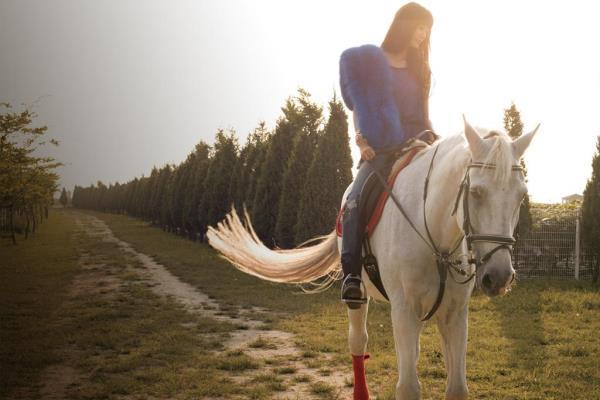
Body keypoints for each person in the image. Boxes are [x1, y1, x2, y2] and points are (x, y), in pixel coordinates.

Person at [339, 2, 438, 308]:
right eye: (419, 26)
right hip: (380, 149)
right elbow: (359, 106)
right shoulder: (371, 61)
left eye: (427, 29)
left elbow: (424, 114)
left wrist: (435, 141)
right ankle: (352, 276)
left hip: (417, 142)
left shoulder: (421, 68)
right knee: (355, 200)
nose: (423, 34)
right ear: (403, 25)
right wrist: (361, 142)